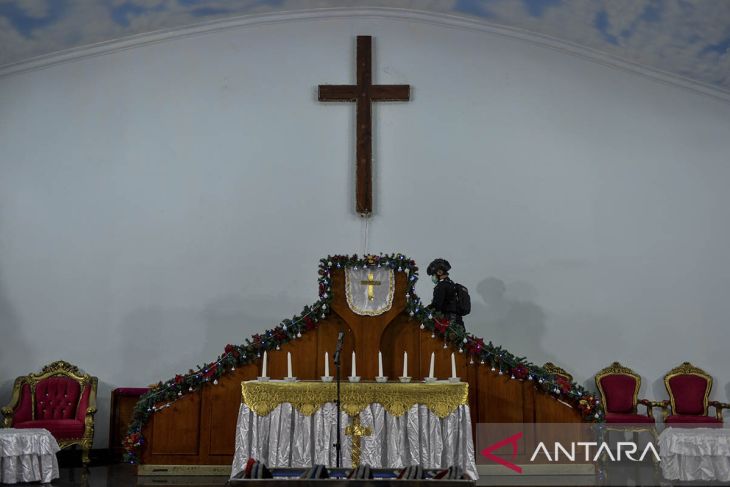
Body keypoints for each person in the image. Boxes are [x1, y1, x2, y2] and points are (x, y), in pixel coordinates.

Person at [426, 258, 465, 332]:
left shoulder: (441, 286)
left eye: (433, 274)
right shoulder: (451, 284)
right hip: (458, 321)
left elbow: (437, 305)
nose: (433, 277)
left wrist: (426, 310)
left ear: (439, 272)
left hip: (449, 321)